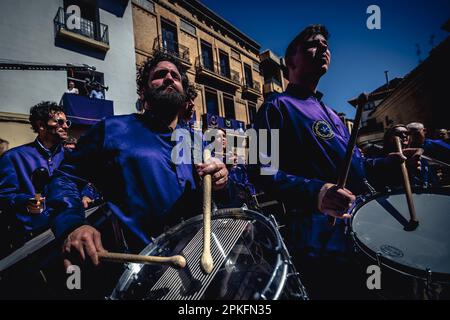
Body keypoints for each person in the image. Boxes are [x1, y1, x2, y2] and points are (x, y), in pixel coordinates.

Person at [251, 25, 420, 299]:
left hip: (365, 233)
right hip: (319, 242)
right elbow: (259, 170)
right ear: (290, 61)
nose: (324, 49)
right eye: (313, 44)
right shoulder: (274, 107)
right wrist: (316, 192)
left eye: (326, 45)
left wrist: (390, 164)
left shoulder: (333, 115)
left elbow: (358, 169)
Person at [46, 52, 228, 273]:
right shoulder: (112, 129)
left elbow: (211, 199)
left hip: (201, 260)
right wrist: (73, 225)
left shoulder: (197, 142)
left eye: (176, 76)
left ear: (184, 92)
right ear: (143, 91)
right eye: (160, 75)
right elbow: (65, 178)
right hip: (141, 270)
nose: (170, 77)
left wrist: (220, 182)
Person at [0, 102, 95, 252]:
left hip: (68, 231)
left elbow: (86, 184)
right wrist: (25, 201)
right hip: (32, 239)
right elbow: (4, 196)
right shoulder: (13, 157)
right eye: (59, 122)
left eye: (67, 122)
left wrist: (86, 195)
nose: (66, 126)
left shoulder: (72, 157)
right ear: (41, 125)